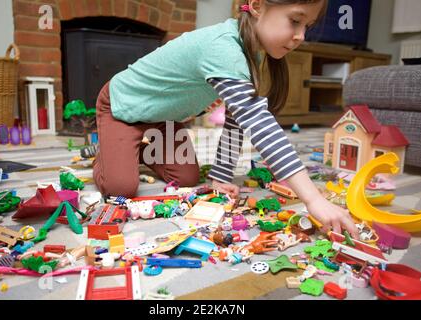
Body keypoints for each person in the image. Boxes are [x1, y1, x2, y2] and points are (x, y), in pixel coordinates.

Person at [93, 0, 359, 237]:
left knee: (186, 178)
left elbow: (236, 119)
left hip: (165, 118)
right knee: (121, 187)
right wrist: (312, 199)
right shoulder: (223, 48)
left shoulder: (250, 51)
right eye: (295, 21)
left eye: (307, 27)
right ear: (256, 6)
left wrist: (220, 177)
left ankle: (132, 150)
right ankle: (107, 153)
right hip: (122, 108)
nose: (301, 36)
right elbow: (259, 124)